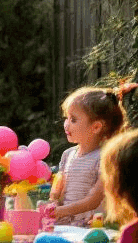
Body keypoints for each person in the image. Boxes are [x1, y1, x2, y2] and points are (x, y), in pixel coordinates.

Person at [50, 85, 131, 225]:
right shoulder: (67, 155)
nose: (66, 125)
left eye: (73, 120)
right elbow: (57, 187)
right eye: (66, 118)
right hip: (65, 223)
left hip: (90, 227)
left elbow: (93, 200)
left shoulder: (105, 158)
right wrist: (52, 202)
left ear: (96, 127)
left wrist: (60, 211)